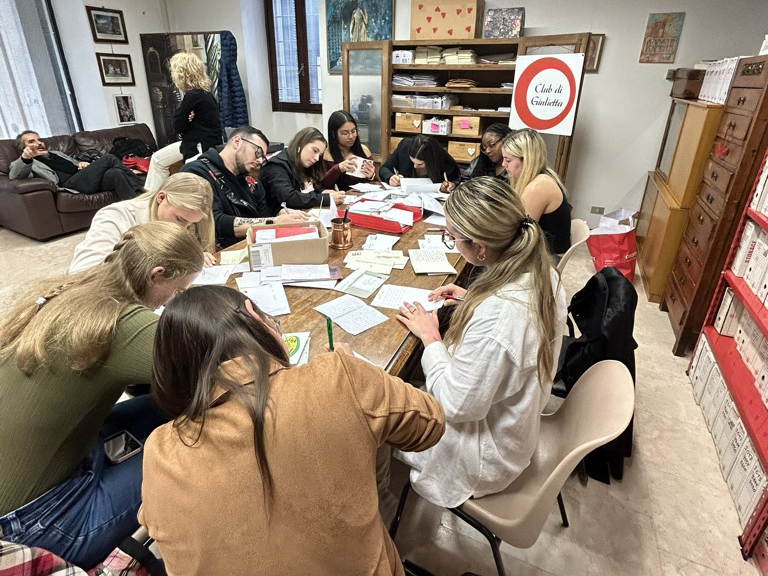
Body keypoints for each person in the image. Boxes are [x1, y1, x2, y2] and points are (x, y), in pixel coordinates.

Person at [139, 285, 445, 575]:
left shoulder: (159, 452)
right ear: (255, 316)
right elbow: (430, 424)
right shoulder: (337, 376)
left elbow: (159, 526)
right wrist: (359, 379)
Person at [0, 222, 204, 568]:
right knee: (201, 438)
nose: (174, 302)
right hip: (36, 525)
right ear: (157, 275)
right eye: (179, 291)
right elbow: (215, 367)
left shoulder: (76, 290)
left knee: (165, 407)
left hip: (46, 480)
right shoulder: (124, 323)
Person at [394, 176, 567, 508]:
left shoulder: (501, 316)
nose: (452, 242)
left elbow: (458, 406)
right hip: (513, 424)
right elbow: (511, 326)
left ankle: (381, 516)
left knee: (370, 414)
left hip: (482, 454)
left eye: (453, 238)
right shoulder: (542, 271)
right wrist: (475, 297)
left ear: (481, 247)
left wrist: (431, 340)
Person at [181, 126, 308, 249]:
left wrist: (281, 213)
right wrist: (273, 222)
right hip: (217, 252)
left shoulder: (250, 180)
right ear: (237, 142)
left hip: (250, 247)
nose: (259, 161)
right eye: (257, 153)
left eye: (263, 158)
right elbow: (214, 222)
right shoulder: (197, 172)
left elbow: (263, 214)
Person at [70, 173, 217, 273]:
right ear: (161, 198)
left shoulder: (182, 217)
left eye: (191, 224)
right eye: (180, 219)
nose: (183, 230)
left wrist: (192, 258)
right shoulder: (115, 216)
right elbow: (82, 273)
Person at [144, 52, 223, 192]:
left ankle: (151, 202)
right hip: (197, 142)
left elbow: (178, 126)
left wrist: (185, 119)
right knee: (157, 159)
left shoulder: (192, 96)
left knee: (192, 186)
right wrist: (187, 118)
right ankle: (150, 200)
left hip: (199, 145)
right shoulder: (205, 94)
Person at [9, 130, 143, 201]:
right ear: (23, 148)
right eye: (32, 141)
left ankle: (133, 206)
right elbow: (15, 175)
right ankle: (143, 188)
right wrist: (26, 158)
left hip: (84, 179)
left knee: (116, 173)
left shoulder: (55, 153)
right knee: (109, 158)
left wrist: (82, 164)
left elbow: (74, 164)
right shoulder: (27, 163)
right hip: (71, 185)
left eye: (39, 139)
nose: (39, 143)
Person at [501, 128, 572, 257]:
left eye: (508, 160)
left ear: (526, 160)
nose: (503, 164)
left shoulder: (539, 186)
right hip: (543, 253)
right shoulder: (543, 176)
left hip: (547, 259)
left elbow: (519, 235)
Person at [260, 127, 345, 214]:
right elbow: (289, 198)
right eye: (315, 151)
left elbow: (302, 192)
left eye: (319, 155)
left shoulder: (301, 163)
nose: (316, 158)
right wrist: (326, 198)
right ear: (301, 144)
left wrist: (321, 192)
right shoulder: (276, 167)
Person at [379, 135, 460, 193]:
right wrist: (390, 177)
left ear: (431, 161)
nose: (415, 166)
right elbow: (384, 169)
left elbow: (456, 180)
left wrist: (450, 185)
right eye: (412, 161)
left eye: (420, 164)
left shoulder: (443, 160)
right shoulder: (405, 146)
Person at [320, 110, 376, 190]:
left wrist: (371, 176)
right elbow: (323, 186)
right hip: (340, 199)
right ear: (333, 134)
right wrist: (338, 169)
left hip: (363, 197)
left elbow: (375, 180)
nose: (351, 136)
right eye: (345, 133)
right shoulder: (326, 155)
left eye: (353, 131)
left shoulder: (363, 150)